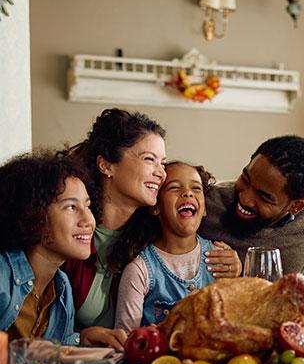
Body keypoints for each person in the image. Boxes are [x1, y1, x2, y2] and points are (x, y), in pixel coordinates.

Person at [62, 108, 242, 330]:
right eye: (150, 160)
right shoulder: (71, 229)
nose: (162, 173)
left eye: (162, 163)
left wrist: (234, 266)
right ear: (106, 165)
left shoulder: (153, 232)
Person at [0, 152, 127, 349]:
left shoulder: (62, 285)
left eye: (88, 206)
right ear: (34, 215)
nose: (89, 220)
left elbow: (52, 348)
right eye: (70, 207)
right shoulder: (2, 274)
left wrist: (81, 338)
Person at [199, 134, 304, 275]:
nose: (245, 198)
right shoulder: (207, 201)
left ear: (296, 205)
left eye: (264, 197)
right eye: (245, 178)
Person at [113, 162, 216, 333]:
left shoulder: (222, 259)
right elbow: (126, 341)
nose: (188, 193)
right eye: (174, 188)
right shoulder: (139, 270)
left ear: (204, 208)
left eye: (196, 189)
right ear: (155, 207)